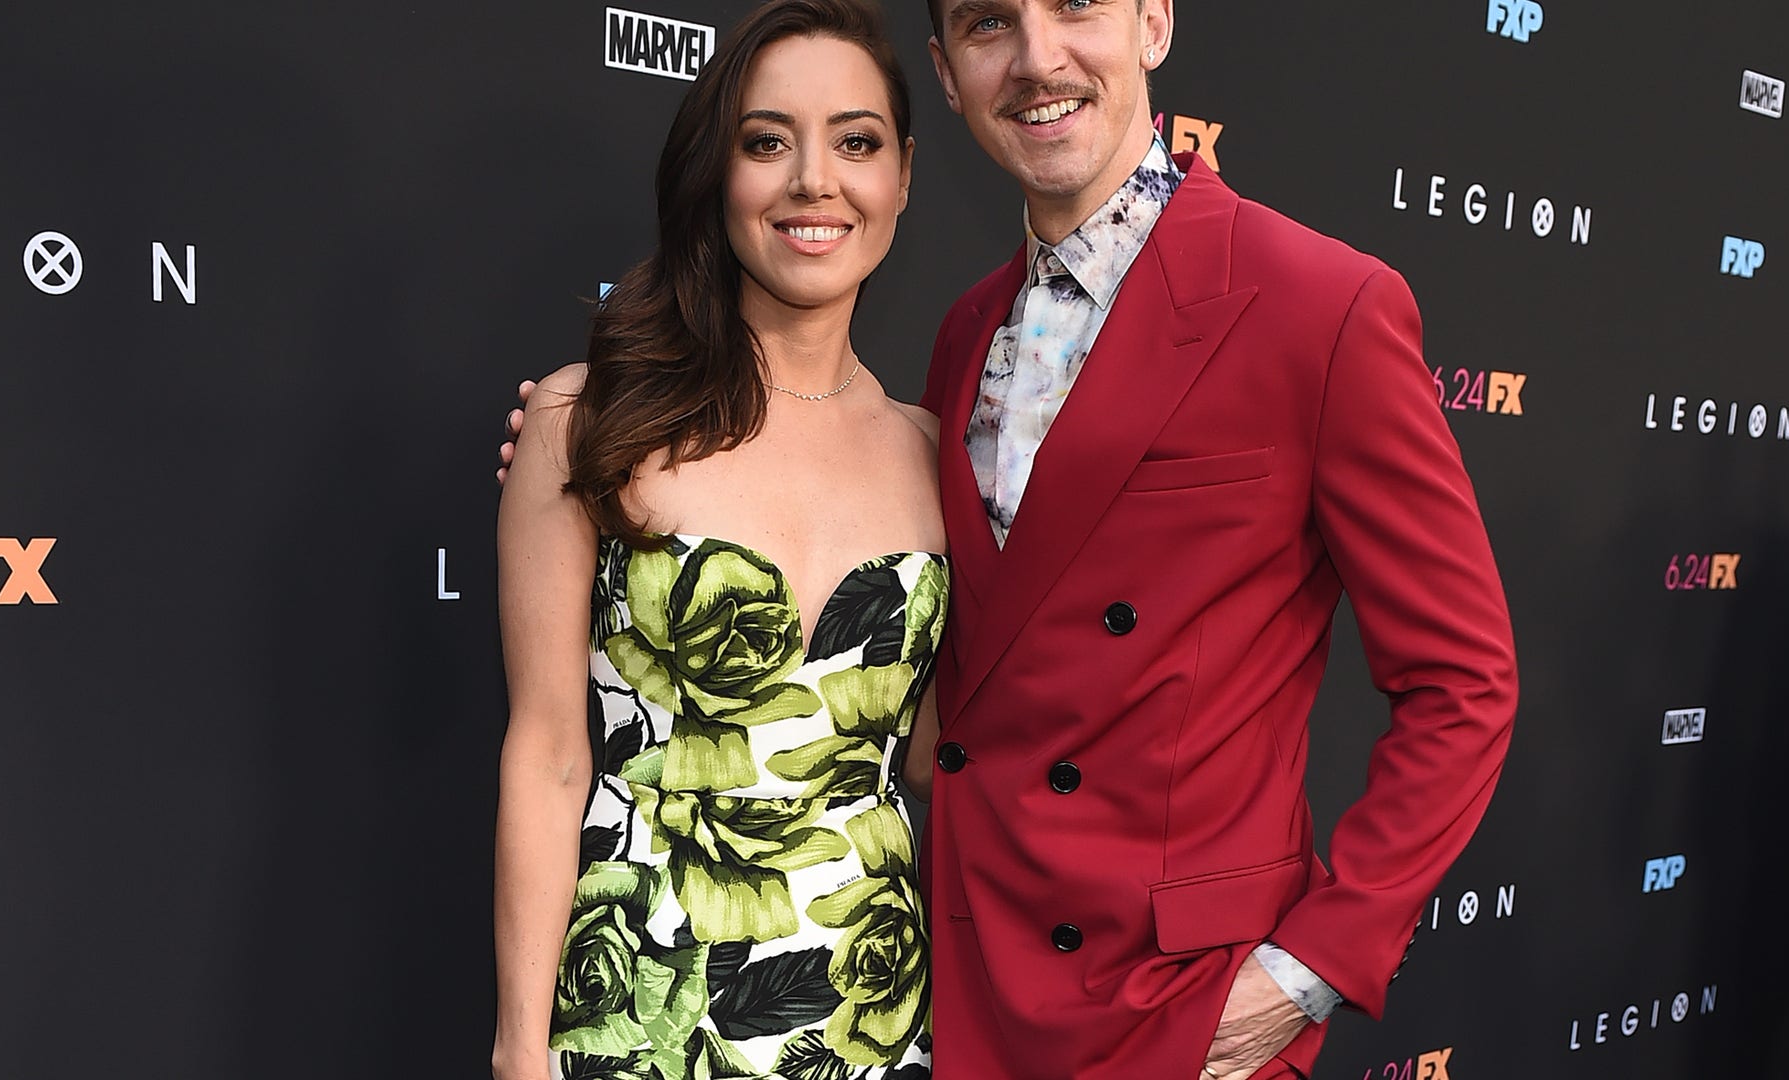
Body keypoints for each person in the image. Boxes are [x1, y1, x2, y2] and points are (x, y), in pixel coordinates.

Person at [506, 2, 1518, 1078]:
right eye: (993, 22)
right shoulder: (963, 339)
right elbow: (968, 683)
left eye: (1076, 3)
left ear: (1155, 22)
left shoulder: (1324, 306)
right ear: (947, 74)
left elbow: (1465, 681)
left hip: (1174, 1010)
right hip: (955, 989)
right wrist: (575, 462)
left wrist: (1309, 966)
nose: (1039, 59)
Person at [490, 3, 943, 1079]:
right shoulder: (587, 420)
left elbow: (935, 757)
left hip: (862, 1021)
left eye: (857, 141)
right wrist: (519, 1050)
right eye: (768, 140)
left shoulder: (935, 453)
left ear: (904, 176)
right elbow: (550, 758)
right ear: (719, 171)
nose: (814, 181)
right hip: (640, 1008)